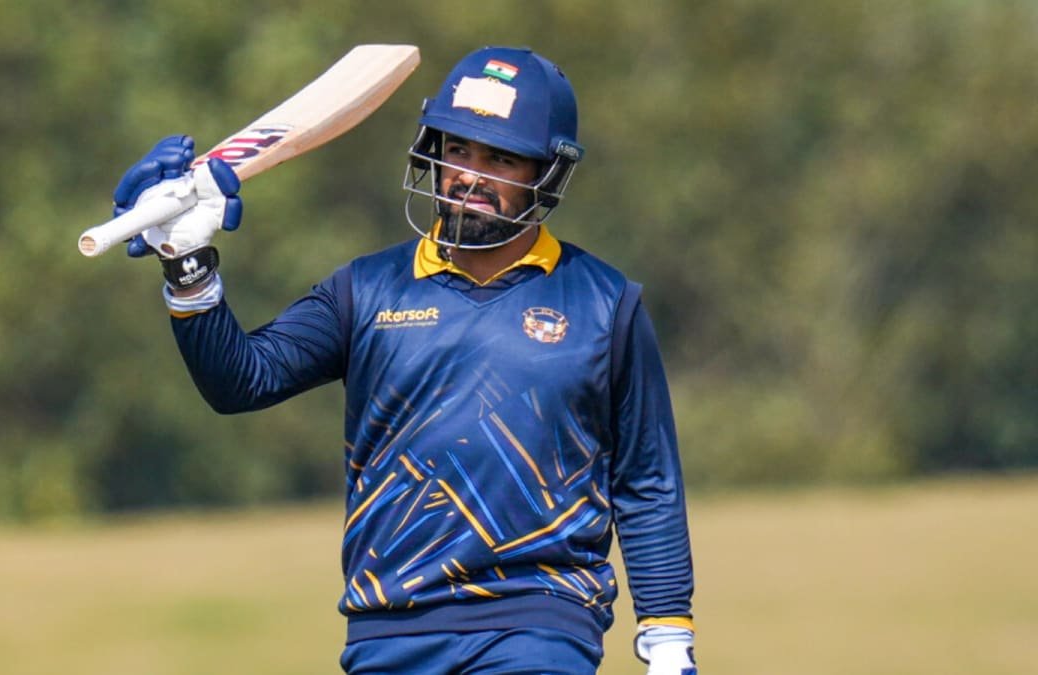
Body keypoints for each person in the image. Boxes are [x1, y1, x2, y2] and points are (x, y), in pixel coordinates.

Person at [112, 46, 697, 675]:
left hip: (540, 619)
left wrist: (667, 634)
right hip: (388, 626)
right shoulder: (366, 290)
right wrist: (187, 266)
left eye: (500, 158)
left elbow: (646, 480)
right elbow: (240, 382)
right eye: (458, 150)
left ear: (547, 172)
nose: (470, 175)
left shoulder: (604, 303)